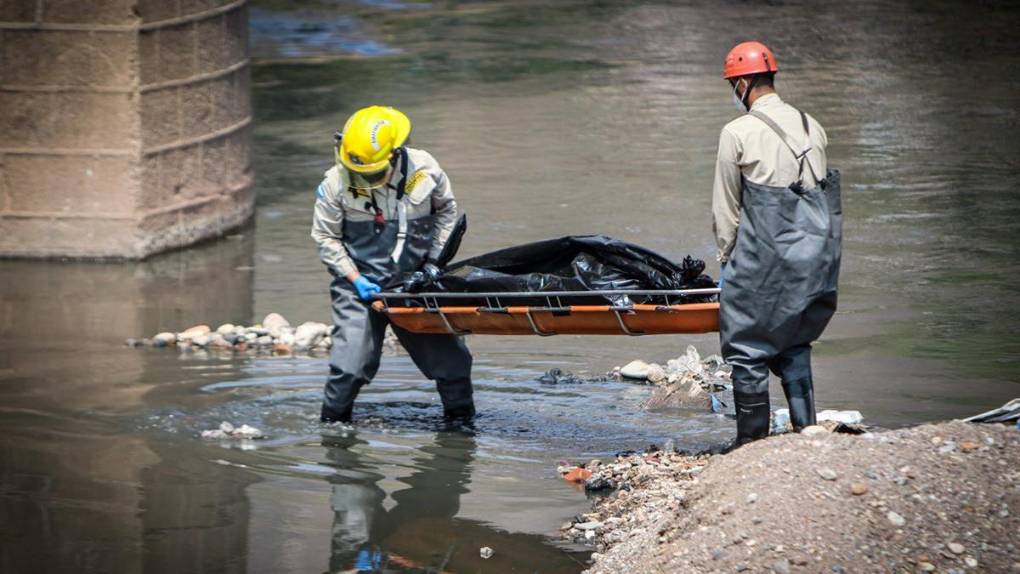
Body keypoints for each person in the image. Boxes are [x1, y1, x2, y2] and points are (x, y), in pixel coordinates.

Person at [712, 42, 843, 445]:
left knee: (746, 345)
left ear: (743, 83)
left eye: (733, 85)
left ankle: (751, 442)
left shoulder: (737, 132)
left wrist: (726, 262)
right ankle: (806, 428)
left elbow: (726, 209)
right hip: (819, 257)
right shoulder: (812, 125)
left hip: (765, 257)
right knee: (796, 341)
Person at [311, 105, 474, 423]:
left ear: (395, 155)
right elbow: (325, 237)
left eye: (373, 173)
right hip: (359, 286)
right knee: (349, 368)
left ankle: (461, 431)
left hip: (416, 284)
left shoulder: (424, 170)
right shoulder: (334, 183)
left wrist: (434, 262)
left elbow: (447, 212)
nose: (365, 178)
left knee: (453, 366)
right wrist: (355, 278)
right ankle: (332, 430)